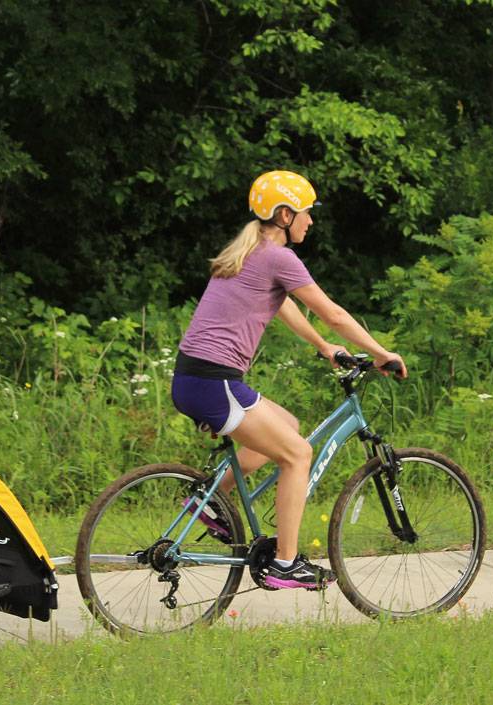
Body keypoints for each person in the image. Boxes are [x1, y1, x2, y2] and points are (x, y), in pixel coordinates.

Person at [171, 170, 407, 590]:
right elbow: (333, 311)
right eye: (305, 213)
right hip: (214, 382)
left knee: (289, 427)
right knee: (298, 454)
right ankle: (285, 563)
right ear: (284, 215)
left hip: (197, 377)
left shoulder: (248, 253)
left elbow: (283, 307)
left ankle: (209, 504)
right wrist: (380, 353)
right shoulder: (278, 257)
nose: (310, 221)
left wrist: (323, 346)